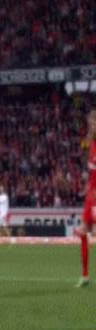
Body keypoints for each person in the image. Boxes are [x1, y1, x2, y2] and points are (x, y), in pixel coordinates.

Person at [76, 110, 96, 288]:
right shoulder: (91, 143)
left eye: (94, 122)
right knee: (83, 232)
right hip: (90, 195)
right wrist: (88, 187)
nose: (92, 125)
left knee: (93, 232)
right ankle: (85, 275)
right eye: (90, 123)